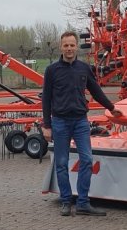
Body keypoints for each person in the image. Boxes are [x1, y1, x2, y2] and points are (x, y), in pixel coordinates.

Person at [42, 31, 122, 217]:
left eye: (72, 45)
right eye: (66, 45)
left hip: (80, 121)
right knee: (61, 163)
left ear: (76, 47)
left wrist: (111, 107)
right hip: (60, 122)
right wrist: (47, 125)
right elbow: (46, 99)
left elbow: (96, 91)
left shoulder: (84, 68)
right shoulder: (52, 70)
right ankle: (65, 201)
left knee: (86, 160)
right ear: (61, 47)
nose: (69, 49)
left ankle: (83, 203)